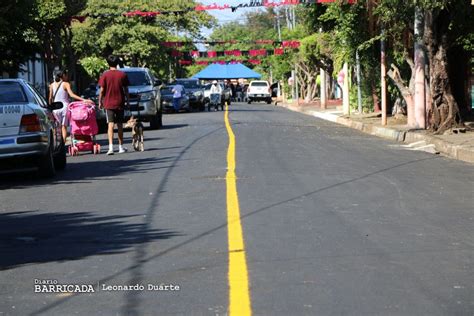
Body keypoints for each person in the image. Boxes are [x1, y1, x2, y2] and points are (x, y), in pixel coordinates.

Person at [98, 55, 130, 155]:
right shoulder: (122, 74)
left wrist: (100, 101)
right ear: (117, 63)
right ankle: (120, 147)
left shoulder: (105, 75)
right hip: (120, 102)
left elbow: (102, 90)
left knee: (110, 125)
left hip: (108, 103)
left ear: (108, 63)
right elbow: (126, 90)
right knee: (120, 125)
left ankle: (111, 147)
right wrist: (128, 101)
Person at [48, 68, 91, 142]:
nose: (67, 77)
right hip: (64, 107)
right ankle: (63, 145)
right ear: (63, 75)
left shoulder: (51, 85)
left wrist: (50, 107)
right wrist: (84, 100)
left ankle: (57, 144)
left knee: (56, 128)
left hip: (55, 108)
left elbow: (50, 98)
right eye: (66, 75)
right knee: (63, 127)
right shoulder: (66, 84)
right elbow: (71, 95)